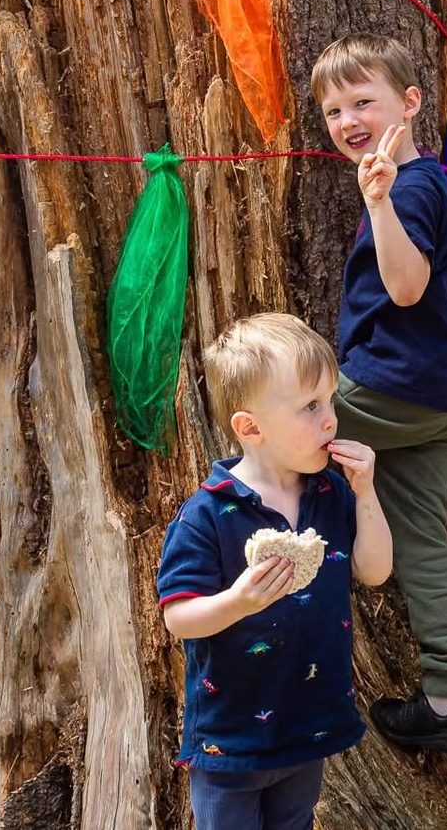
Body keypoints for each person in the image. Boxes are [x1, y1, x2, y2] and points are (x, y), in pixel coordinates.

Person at [311, 34, 447, 751]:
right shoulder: (423, 183)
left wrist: (378, 203)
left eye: (363, 100)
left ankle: (275, 648)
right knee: (423, 541)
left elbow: (407, 287)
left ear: (409, 104)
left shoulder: (408, 187)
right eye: (331, 109)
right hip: (441, 403)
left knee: (276, 436)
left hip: (390, 387)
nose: (347, 118)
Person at [157, 313, 391, 829]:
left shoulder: (330, 493)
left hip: (308, 726)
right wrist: (239, 601)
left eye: (329, 400)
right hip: (230, 740)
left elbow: (374, 571)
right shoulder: (209, 512)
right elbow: (179, 617)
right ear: (251, 428)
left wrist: (367, 492)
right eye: (311, 406)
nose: (330, 419)